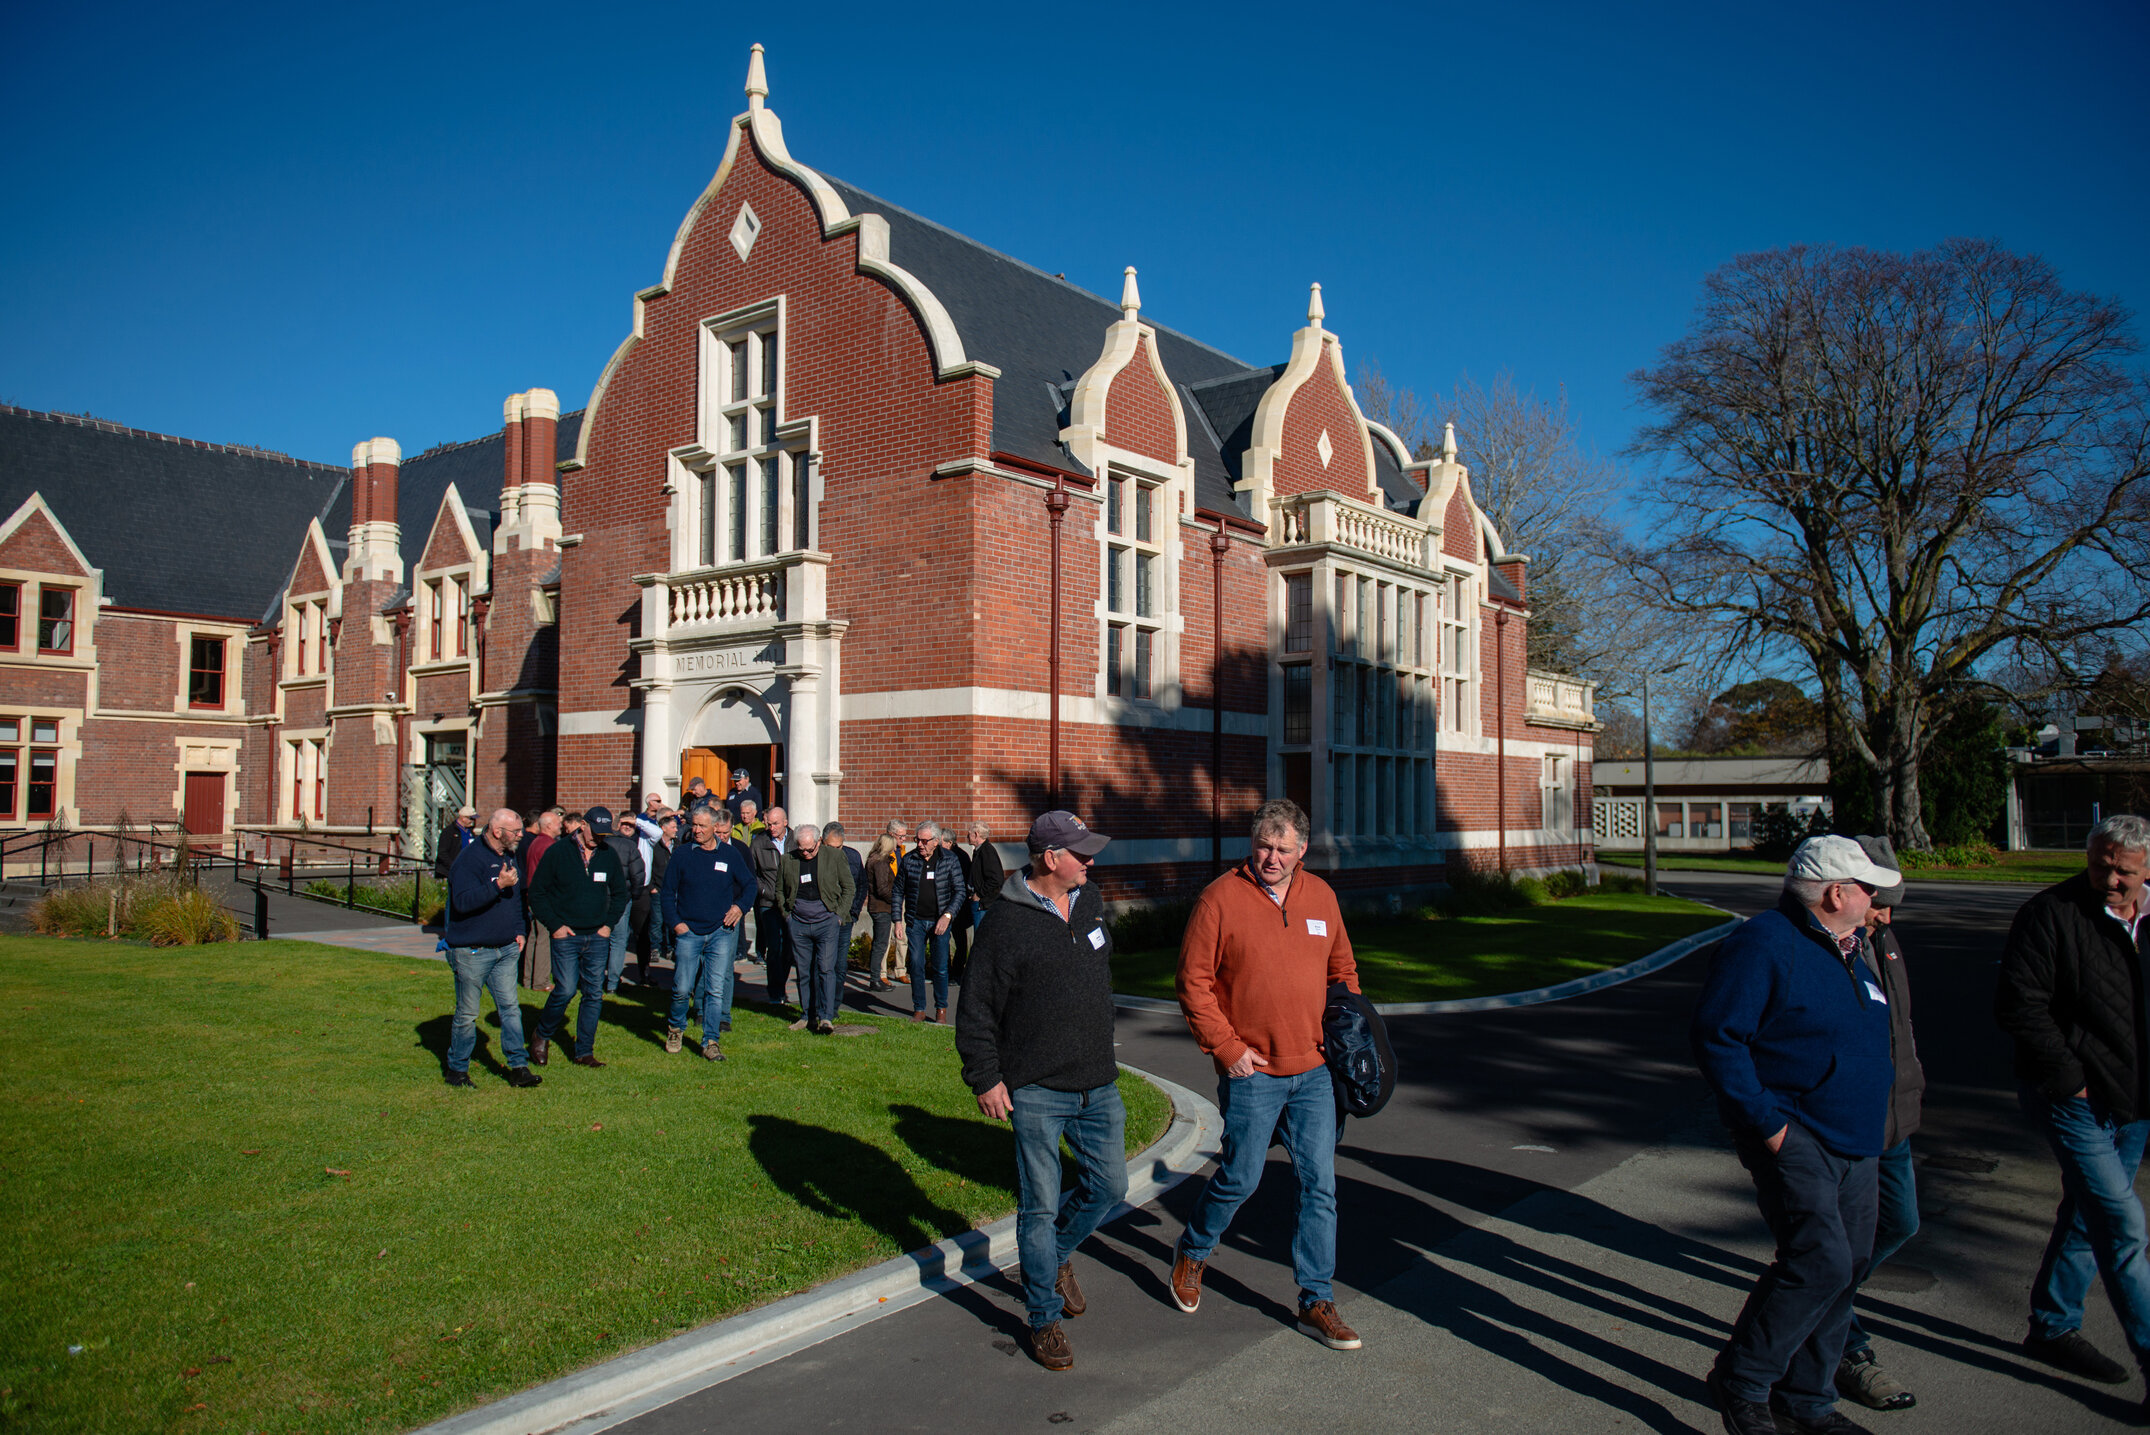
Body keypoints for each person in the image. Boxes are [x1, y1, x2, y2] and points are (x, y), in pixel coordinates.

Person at [1692, 834, 1899, 1435]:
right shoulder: (1764, 942)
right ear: (1835, 893)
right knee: (1820, 1261)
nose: (1877, 900)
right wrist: (1770, 1125)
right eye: (1868, 889)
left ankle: (1807, 1402)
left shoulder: (1853, 946)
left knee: (1848, 1266)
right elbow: (1718, 1039)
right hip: (1796, 1134)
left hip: (1858, 1137)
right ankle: (1743, 1381)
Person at [1170, 798, 1362, 1352]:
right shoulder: (1219, 899)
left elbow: (1343, 970)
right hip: (1253, 1071)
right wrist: (1228, 1049)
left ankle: (1316, 1299)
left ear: (1303, 851)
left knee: (1319, 1184)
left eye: (1283, 849)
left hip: (1315, 1070)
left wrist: (1348, 1030)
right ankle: (1193, 1250)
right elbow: (1192, 984)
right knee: (1240, 1178)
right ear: (1251, 844)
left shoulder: (1321, 896)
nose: (1272, 858)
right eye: (1263, 846)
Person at [956, 809, 1123, 1370]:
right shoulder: (1004, 922)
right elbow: (976, 1008)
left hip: (1097, 1081)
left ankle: (1054, 1258)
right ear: (1051, 858)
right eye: (1081, 852)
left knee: (1110, 1186)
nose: (1091, 861)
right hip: (1036, 1089)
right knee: (1040, 1207)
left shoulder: (1089, 899)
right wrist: (985, 1077)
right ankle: (1043, 1318)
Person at [1996, 812, 2150, 1400]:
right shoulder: (2051, 913)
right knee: (2122, 1224)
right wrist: (2068, 1078)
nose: (2109, 880)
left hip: (2136, 1101)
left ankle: (2053, 1326)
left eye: (2123, 871)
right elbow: (2018, 1004)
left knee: (2090, 1213)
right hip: (2075, 1098)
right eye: (2098, 866)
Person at [1837, 835, 1924, 1413]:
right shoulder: (1818, 946)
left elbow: (1900, 1029)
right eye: (1878, 901)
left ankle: (1814, 1301)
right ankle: (1846, 1348)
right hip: (1843, 1124)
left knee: (1901, 1222)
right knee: (1835, 1249)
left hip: (1892, 1117)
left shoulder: (1882, 941)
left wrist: (1911, 1092)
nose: (1885, 915)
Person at [442, 808, 540, 1089]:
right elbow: (462, 902)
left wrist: (519, 930)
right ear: (498, 832)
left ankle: (518, 1067)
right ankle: (457, 1070)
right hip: (472, 951)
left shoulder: (508, 855)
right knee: (467, 1014)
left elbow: (515, 898)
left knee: (510, 1009)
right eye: (515, 831)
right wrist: (497, 885)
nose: (520, 835)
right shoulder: (469, 860)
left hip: (505, 949)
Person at [528, 812, 630, 1069]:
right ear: (582, 825)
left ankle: (584, 1051)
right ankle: (541, 1034)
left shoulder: (608, 855)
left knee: (593, 993)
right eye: (595, 832)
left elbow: (621, 893)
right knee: (565, 989)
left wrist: (608, 925)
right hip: (566, 935)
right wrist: (555, 926)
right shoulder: (558, 852)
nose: (598, 838)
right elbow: (537, 893)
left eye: (604, 834)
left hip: (597, 936)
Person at [661, 806, 756, 1060]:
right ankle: (676, 1027)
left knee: (715, 989)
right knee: (682, 988)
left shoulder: (730, 854)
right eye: (694, 825)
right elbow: (667, 893)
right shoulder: (682, 854)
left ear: (715, 827)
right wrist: (676, 924)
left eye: (702, 826)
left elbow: (750, 884)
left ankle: (711, 1041)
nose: (696, 830)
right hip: (689, 932)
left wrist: (739, 907)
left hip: (720, 932)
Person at [780, 823, 856, 1035]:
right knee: (803, 971)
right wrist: (788, 916)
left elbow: (849, 887)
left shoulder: (835, 856)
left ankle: (826, 1017)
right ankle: (807, 1015)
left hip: (827, 923)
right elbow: (780, 890)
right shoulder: (788, 860)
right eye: (801, 849)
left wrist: (838, 916)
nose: (805, 853)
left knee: (826, 968)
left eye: (810, 849)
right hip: (799, 924)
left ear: (819, 842)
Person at [896, 820, 967, 1023]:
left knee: (940, 967)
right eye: (917, 840)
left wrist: (948, 915)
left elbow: (959, 891)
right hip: (916, 921)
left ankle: (941, 1009)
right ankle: (919, 1008)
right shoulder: (909, 860)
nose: (919, 844)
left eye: (924, 841)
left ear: (936, 841)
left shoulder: (949, 860)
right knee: (916, 964)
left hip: (939, 922)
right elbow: (898, 891)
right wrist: (897, 920)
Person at [587, 807, 647, 994]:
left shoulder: (599, 844)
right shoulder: (629, 846)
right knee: (618, 941)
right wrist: (634, 894)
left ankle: (595, 979)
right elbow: (639, 875)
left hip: (599, 897)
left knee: (598, 938)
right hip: (621, 898)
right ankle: (613, 983)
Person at [516, 808, 564, 989]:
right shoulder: (549, 845)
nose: (560, 826)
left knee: (534, 937)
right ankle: (541, 981)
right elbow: (555, 874)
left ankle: (529, 978)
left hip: (533, 895)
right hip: (545, 897)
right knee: (544, 938)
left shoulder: (535, 842)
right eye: (558, 823)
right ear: (549, 826)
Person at [752, 806, 792, 1001]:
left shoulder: (795, 840)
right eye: (769, 824)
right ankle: (775, 993)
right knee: (774, 947)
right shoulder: (759, 843)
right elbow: (753, 873)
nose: (771, 828)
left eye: (775, 824)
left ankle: (781, 985)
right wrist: (764, 891)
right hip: (768, 903)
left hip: (791, 904)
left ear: (785, 822)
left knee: (788, 949)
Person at [826, 820, 868, 991]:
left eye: (839, 847)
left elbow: (862, 884)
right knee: (823, 961)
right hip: (824, 916)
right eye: (831, 847)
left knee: (841, 963)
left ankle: (835, 999)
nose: (835, 852)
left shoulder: (853, 857)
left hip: (846, 917)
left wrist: (854, 911)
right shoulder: (817, 857)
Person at [866, 826, 907, 992]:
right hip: (882, 907)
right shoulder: (880, 862)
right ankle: (876, 979)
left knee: (880, 943)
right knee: (881, 944)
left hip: (879, 906)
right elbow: (882, 888)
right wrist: (895, 899)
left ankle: (876, 978)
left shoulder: (874, 859)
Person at [643, 812, 678, 972]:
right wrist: (651, 887)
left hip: (674, 890)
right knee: (657, 920)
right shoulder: (654, 846)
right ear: (663, 828)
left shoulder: (677, 846)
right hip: (658, 888)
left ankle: (671, 948)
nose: (676, 830)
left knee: (672, 920)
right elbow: (648, 865)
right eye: (673, 827)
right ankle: (654, 948)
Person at [948, 828, 977, 988]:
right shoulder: (961, 855)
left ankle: (956, 971)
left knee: (959, 939)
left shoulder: (958, 857)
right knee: (953, 939)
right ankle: (952, 970)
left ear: (949, 842)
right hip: (956, 903)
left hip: (958, 904)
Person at [966, 821, 1005, 923]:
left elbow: (996, 879)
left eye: (969, 834)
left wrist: (979, 894)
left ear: (976, 834)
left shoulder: (987, 851)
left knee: (980, 931)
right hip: (979, 902)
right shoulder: (979, 851)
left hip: (983, 904)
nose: (967, 836)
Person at [432, 804, 478, 878]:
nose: (472, 821)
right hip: (451, 872)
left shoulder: (470, 832)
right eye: (471, 819)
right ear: (463, 818)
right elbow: (442, 853)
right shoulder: (449, 832)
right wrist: (453, 866)